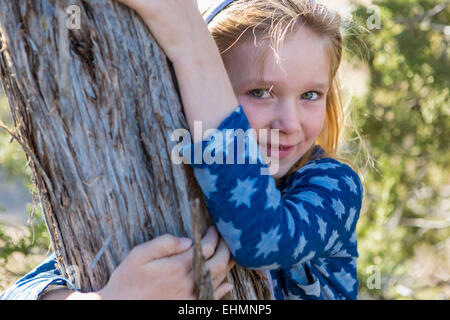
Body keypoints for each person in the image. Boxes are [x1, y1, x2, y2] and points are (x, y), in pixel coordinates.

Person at [2, 0, 364, 300]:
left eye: (311, 95)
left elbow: (262, 238)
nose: (290, 122)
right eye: (259, 92)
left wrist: (191, 45)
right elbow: (20, 291)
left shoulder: (332, 186)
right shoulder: (173, 177)